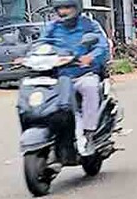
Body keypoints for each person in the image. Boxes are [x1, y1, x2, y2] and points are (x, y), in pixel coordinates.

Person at [42, 0, 110, 155]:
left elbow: (102, 45)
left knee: (90, 87)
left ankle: (89, 133)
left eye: (67, 7)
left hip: (84, 73)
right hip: (60, 76)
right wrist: (27, 56)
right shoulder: (52, 27)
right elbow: (40, 44)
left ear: (76, 8)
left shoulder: (89, 25)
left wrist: (91, 57)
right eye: (60, 8)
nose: (63, 12)